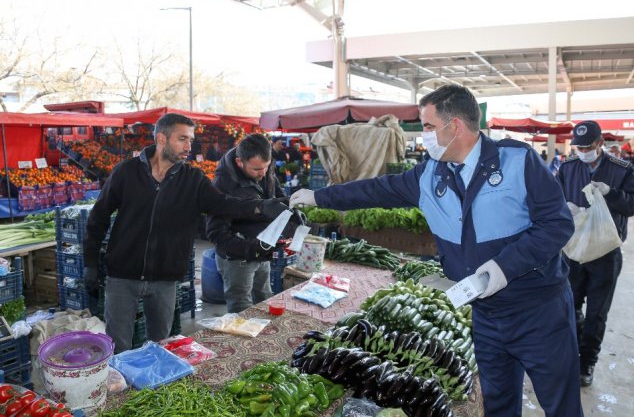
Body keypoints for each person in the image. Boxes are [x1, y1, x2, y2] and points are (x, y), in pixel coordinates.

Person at [290, 84, 582, 417]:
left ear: (454, 125)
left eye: (428, 126)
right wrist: (319, 197)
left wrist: (503, 267)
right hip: (485, 313)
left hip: (538, 310)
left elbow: (557, 225)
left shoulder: (518, 161)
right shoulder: (430, 173)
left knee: (561, 405)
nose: (424, 135)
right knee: (499, 404)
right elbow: (375, 190)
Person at [83, 114, 290, 353]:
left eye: (191, 140)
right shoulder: (126, 172)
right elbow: (98, 218)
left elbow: (224, 204)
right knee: (118, 348)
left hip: (165, 279)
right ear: (162, 138)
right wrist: (91, 263)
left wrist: (261, 206)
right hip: (122, 277)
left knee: (161, 347)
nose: (189, 147)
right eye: (182, 139)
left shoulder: (193, 179)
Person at [556, 120, 634, 387]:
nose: (582, 151)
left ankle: (587, 363)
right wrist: (562, 208)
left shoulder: (622, 170)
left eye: (587, 146)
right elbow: (551, 199)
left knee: (597, 313)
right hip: (573, 251)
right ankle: (572, 355)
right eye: (578, 147)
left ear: (600, 144)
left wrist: (611, 193)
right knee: (569, 307)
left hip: (606, 253)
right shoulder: (568, 169)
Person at [206, 134, 291, 313]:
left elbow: (276, 196)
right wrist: (250, 249)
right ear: (239, 162)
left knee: (265, 298)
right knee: (241, 308)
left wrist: (291, 208)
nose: (262, 173)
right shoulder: (222, 184)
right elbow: (215, 232)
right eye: (256, 169)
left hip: (263, 250)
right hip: (238, 259)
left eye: (266, 167)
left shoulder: (265, 171)